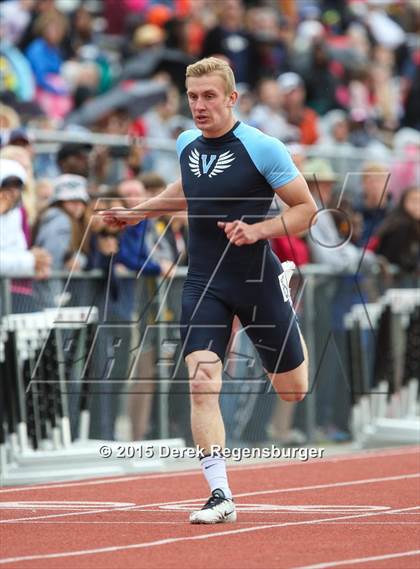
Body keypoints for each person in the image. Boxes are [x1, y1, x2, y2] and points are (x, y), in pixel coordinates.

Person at [100, 57, 316, 524]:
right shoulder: (185, 143)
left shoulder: (263, 148)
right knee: (201, 384)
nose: (199, 105)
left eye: (209, 96)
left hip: (256, 278)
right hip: (204, 281)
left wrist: (260, 232)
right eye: (193, 96)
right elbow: (187, 189)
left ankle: (284, 289)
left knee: (294, 392)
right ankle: (220, 494)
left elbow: (306, 209)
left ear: (232, 98)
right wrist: (138, 212)